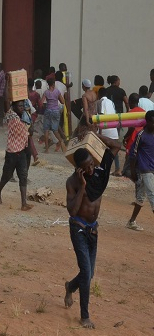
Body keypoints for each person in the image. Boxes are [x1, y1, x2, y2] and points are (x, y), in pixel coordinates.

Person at [64, 132, 121, 329]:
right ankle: (85, 316)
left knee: (89, 274)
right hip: (78, 227)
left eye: (92, 164)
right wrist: (82, 186)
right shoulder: (72, 182)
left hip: (93, 230)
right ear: (78, 168)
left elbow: (116, 146)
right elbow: (72, 210)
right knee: (86, 271)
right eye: (86, 167)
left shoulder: (100, 171)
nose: (90, 168)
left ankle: (70, 287)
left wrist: (95, 136)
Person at [0, 100, 33, 210]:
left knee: (23, 176)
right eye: (19, 106)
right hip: (12, 152)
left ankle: (24, 204)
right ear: (14, 107)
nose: (21, 107)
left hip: (21, 151)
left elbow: (31, 131)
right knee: (6, 176)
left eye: (22, 106)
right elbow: (7, 104)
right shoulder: (12, 116)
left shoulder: (25, 116)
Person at [127, 110, 154, 231]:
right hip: (145, 170)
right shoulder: (141, 135)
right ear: (147, 122)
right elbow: (133, 154)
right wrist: (133, 171)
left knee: (140, 197)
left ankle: (131, 221)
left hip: (151, 169)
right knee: (152, 196)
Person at [97, 88, 122, 176]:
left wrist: (99, 133)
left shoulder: (100, 102)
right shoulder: (111, 102)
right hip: (113, 129)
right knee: (115, 150)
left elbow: (101, 116)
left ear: (99, 94)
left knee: (101, 150)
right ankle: (118, 169)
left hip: (105, 130)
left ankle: (101, 168)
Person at [41, 78, 67, 154]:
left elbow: (41, 102)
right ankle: (61, 141)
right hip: (55, 111)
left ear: (48, 84)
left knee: (46, 130)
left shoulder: (46, 92)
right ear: (53, 84)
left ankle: (46, 150)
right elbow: (62, 102)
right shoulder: (57, 92)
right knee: (55, 130)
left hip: (48, 110)